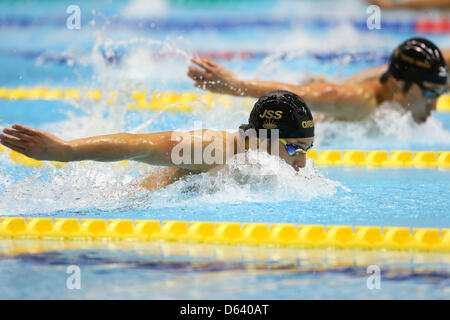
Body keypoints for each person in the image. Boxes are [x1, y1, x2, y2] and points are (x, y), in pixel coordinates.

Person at [0, 91, 315, 192]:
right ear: (261, 138)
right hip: (131, 205)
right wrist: (64, 151)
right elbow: (140, 144)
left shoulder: (268, 164)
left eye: (307, 150)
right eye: (293, 148)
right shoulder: (213, 147)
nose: (302, 160)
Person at [187, 38, 448, 123]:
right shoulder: (361, 100)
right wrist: (236, 86)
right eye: (430, 94)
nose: (434, 106)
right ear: (400, 84)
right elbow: (300, 94)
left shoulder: (390, 85)